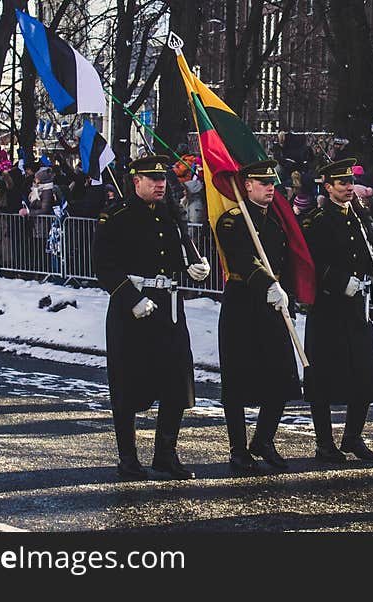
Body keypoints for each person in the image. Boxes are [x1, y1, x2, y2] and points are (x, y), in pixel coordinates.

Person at [91, 155, 211, 481]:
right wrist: (131, 298)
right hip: (131, 309)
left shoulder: (171, 215)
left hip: (168, 307)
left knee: (175, 380)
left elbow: (180, 251)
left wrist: (192, 265)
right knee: (129, 383)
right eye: (152, 179)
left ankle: (165, 455)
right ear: (136, 181)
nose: (160, 185)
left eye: (162, 180)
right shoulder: (117, 216)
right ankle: (128, 458)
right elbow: (104, 266)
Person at [301, 158, 373, 463]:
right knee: (323, 378)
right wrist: (340, 281)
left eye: (349, 183)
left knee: (364, 374)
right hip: (328, 307)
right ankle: (324, 442)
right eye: (341, 184)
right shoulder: (315, 220)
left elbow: (365, 252)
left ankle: (353, 436)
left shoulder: (358, 216)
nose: (347, 188)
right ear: (328, 187)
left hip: (356, 308)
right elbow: (311, 264)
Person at [215, 159, 302, 474]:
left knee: (281, 376)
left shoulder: (276, 221)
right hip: (243, 303)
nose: (270, 189)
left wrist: (288, 291)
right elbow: (242, 256)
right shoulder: (232, 220)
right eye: (263, 183)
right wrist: (268, 284)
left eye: (272, 184)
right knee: (237, 380)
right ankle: (238, 448)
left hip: (272, 304)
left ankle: (264, 439)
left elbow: (284, 259)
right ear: (247, 185)